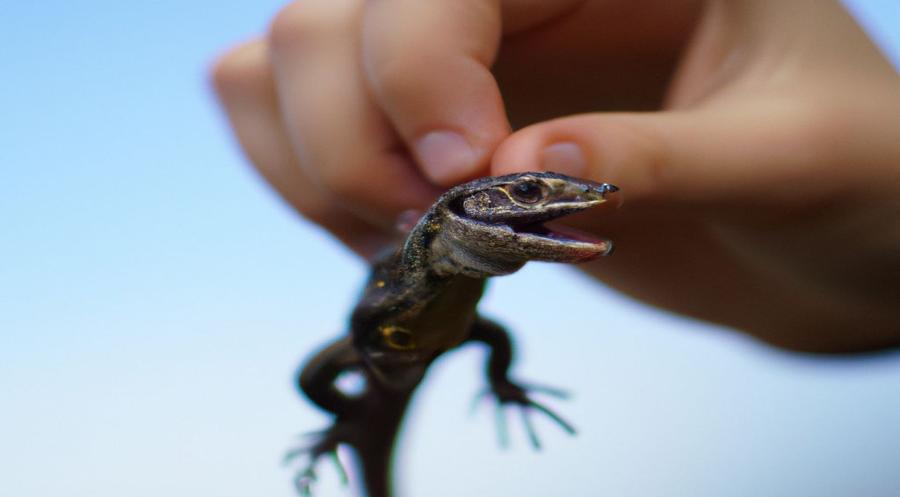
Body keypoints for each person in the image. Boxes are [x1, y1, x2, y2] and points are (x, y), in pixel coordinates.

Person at [211, 0, 900, 353]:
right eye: (529, 192)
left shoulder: (459, 269)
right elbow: (348, 345)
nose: (588, 192)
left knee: (488, 335)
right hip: (384, 361)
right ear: (463, 211)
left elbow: (488, 335)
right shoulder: (406, 281)